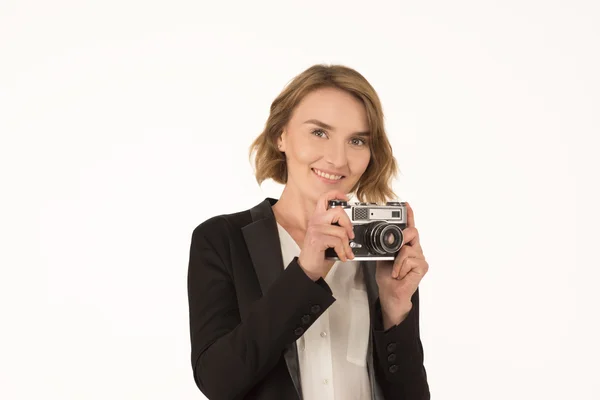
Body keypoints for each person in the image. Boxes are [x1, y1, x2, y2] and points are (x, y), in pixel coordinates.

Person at [187, 64, 430, 400]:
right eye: (319, 132)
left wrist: (396, 310)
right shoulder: (221, 239)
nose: (337, 159)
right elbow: (218, 380)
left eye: (357, 140)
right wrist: (306, 273)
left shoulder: (380, 248)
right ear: (280, 135)